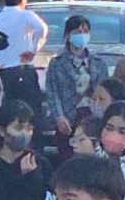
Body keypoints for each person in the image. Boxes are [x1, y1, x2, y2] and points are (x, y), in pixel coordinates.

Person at [44, 14, 111, 150]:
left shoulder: (98, 63)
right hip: (67, 120)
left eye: (85, 32)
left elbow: (104, 92)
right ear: (68, 35)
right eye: (78, 32)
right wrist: (59, 117)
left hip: (91, 119)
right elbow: (52, 93)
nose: (82, 35)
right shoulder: (57, 63)